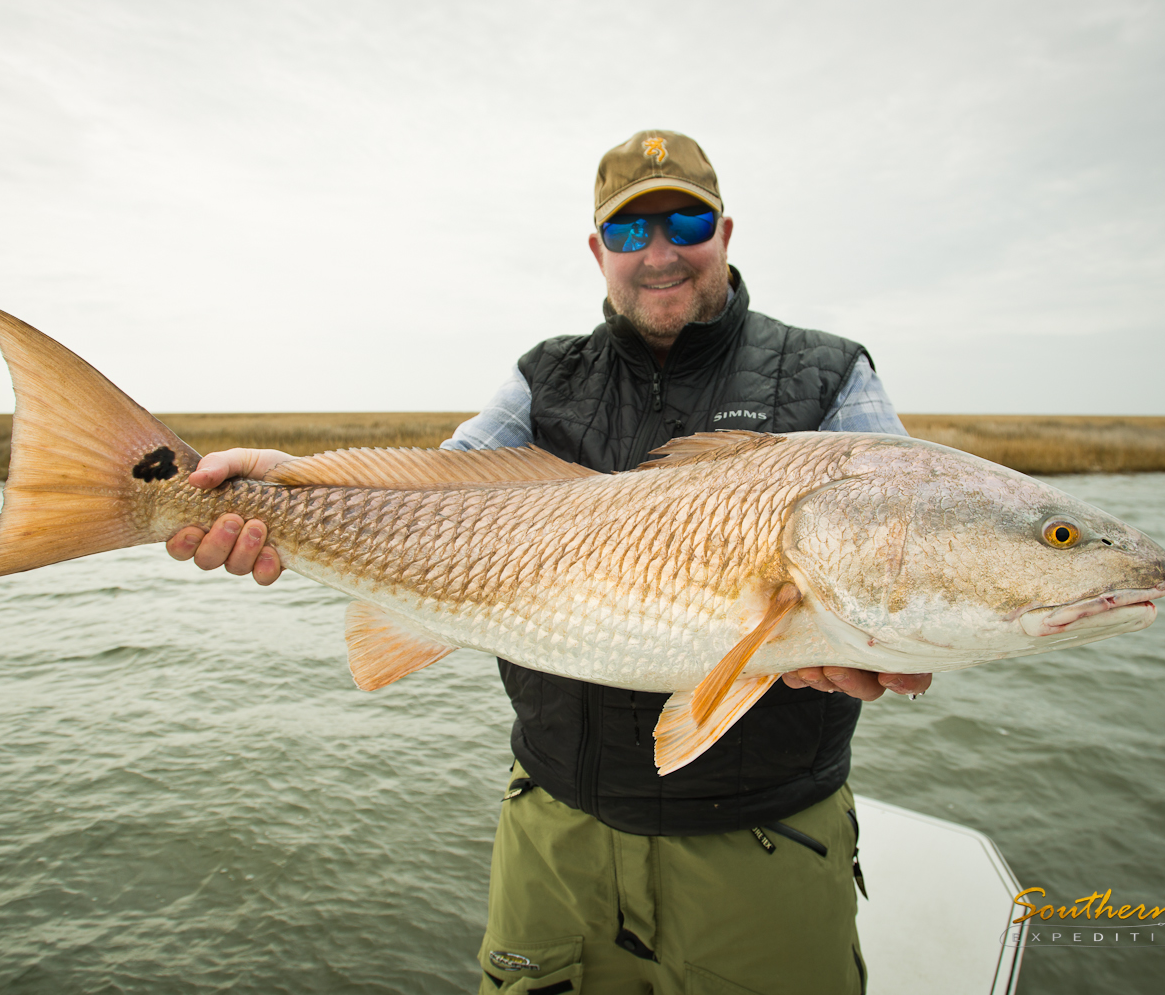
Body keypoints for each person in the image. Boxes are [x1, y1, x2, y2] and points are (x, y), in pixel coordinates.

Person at [167, 130, 930, 994]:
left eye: (685, 220)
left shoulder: (831, 374)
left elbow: (902, 552)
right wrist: (283, 485)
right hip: (555, 832)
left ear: (724, 230)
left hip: (763, 841)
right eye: (631, 231)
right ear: (599, 250)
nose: (661, 251)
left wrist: (881, 645)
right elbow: (433, 495)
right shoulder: (544, 377)